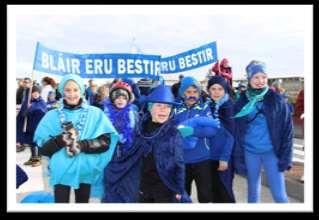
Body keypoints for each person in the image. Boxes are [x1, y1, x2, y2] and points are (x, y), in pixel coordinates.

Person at [34, 74, 119, 203]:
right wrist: (60, 140)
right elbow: (43, 149)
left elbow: (105, 142)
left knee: (82, 203)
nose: (72, 94)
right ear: (62, 91)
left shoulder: (95, 113)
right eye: (67, 90)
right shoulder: (52, 115)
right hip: (61, 170)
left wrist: (82, 145)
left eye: (75, 89)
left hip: (84, 169)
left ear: (81, 90)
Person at [103, 85, 191, 203]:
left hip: (165, 187)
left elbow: (179, 164)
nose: (163, 110)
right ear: (150, 108)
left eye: (167, 107)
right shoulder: (140, 128)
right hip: (142, 187)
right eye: (159, 105)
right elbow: (131, 154)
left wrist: (179, 189)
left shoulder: (173, 133)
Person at [233, 60, 293, 203]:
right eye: (256, 77)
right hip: (250, 151)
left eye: (263, 77)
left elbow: (287, 130)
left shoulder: (277, 100)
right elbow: (237, 130)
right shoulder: (241, 102)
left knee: (279, 195)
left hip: (271, 152)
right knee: (253, 192)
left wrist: (286, 156)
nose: (260, 81)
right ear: (249, 79)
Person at [173, 76, 214, 203]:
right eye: (188, 92)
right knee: (182, 196)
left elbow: (211, 130)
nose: (192, 95)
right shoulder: (175, 109)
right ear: (182, 93)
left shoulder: (204, 108)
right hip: (181, 160)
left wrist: (192, 131)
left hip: (202, 159)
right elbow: (171, 130)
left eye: (195, 92)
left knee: (205, 196)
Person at [205, 75, 236, 202]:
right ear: (208, 90)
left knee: (225, 192)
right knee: (214, 192)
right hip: (209, 156)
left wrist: (224, 158)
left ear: (225, 90)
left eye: (220, 89)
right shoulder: (208, 106)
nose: (217, 92)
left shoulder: (228, 107)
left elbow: (231, 136)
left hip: (223, 157)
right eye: (213, 89)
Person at [103, 81, 138, 153]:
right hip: (110, 149)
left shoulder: (133, 114)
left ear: (128, 100)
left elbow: (135, 130)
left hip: (128, 149)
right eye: (117, 97)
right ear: (112, 100)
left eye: (124, 98)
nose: (120, 100)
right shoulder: (106, 114)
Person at [19, 85, 47, 167]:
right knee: (32, 142)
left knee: (38, 142)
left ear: (39, 93)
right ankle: (33, 157)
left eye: (36, 92)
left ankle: (39, 159)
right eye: (33, 93)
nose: (35, 94)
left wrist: (31, 108)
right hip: (30, 125)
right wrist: (26, 107)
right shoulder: (29, 101)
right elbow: (24, 113)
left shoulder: (41, 102)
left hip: (38, 126)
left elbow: (41, 110)